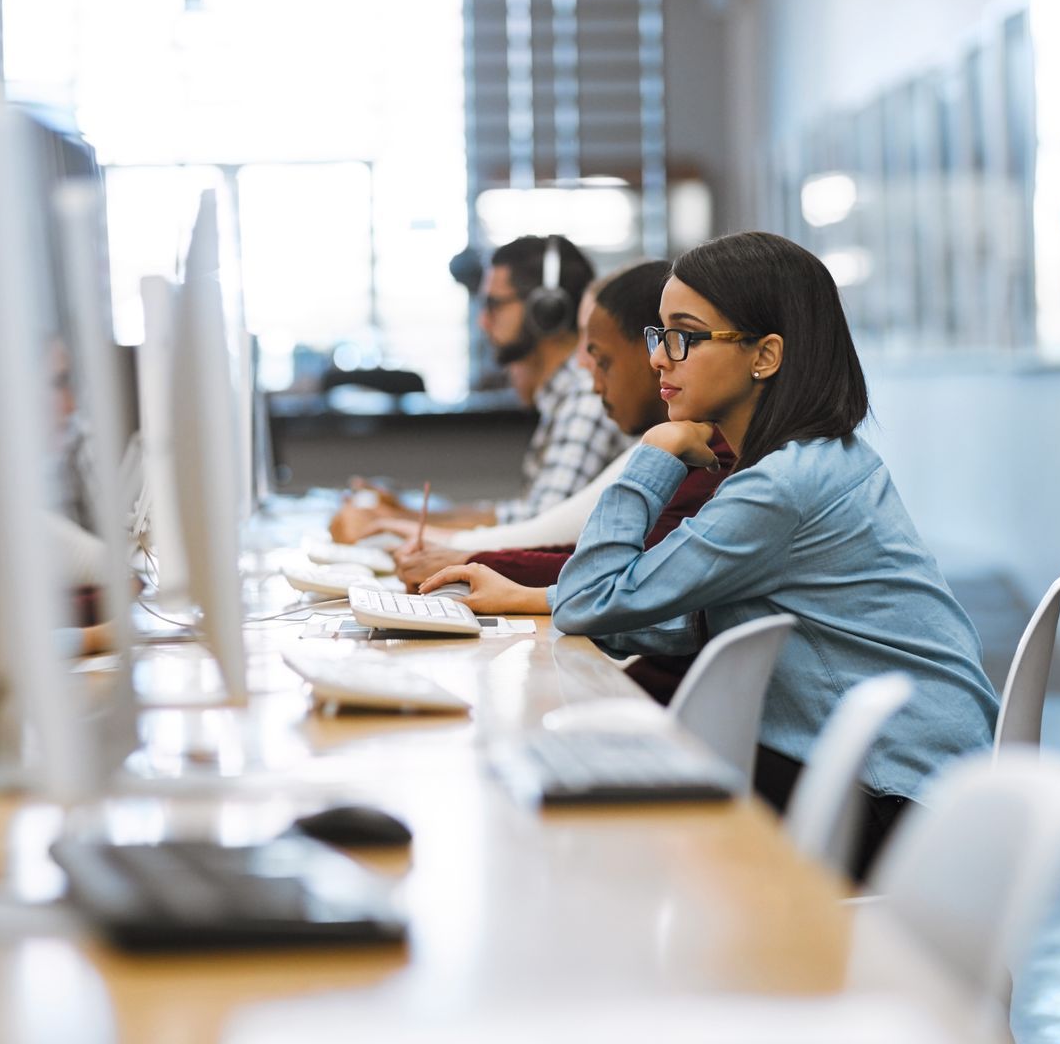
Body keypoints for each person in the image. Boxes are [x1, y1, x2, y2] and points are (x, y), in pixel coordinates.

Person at [422, 231, 1000, 879]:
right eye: (658, 336)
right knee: (596, 777)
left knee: (601, 817)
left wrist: (655, 454)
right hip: (915, 776)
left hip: (894, 798)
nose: (659, 360)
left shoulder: (781, 486)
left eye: (684, 336)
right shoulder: (807, 461)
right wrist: (548, 600)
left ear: (766, 356)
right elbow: (686, 612)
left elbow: (592, 600)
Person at [394, 261, 726, 606]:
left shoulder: (711, 457)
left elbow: (620, 583)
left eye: (680, 339)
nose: (581, 362)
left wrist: (481, 570)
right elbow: (602, 564)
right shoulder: (691, 444)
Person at [332, 234, 625, 540]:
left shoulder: (586, 399)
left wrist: (392, 524)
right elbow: (522, 514)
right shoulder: (564, 398)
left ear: (545, 311)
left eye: (494, 305)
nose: (483, 322)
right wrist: (405, 514)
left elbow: (537, 532)